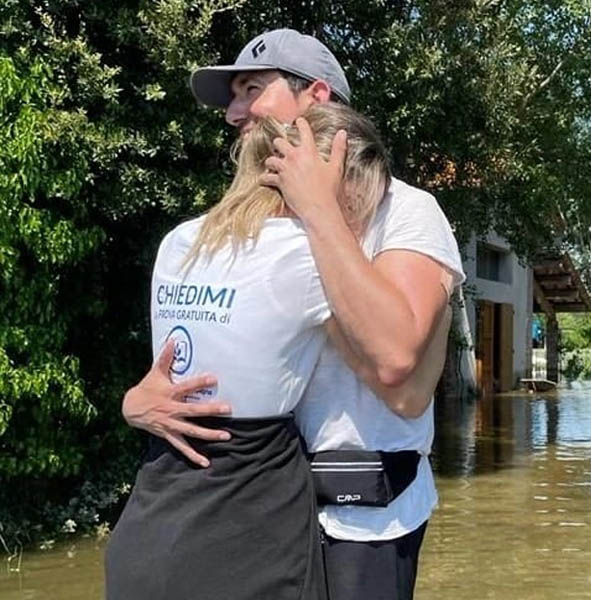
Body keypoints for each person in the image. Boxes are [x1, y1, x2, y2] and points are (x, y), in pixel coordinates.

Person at [122, 28, 465, 600]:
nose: (234, 112)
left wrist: (316, 208)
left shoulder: (406, 211)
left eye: (251, 89)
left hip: (361, 522)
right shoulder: (249, 222)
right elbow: (206, 358)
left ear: (318, 97)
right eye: (232, 97)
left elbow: (397, 369)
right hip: (259, 511)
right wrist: (136, 403)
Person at [106, 104, 397, 599]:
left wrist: (130, 403)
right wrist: (324, 216)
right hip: (246, 527)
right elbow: (395, 356)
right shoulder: (305, 255)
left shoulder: (179, 241)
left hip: (151, 517)